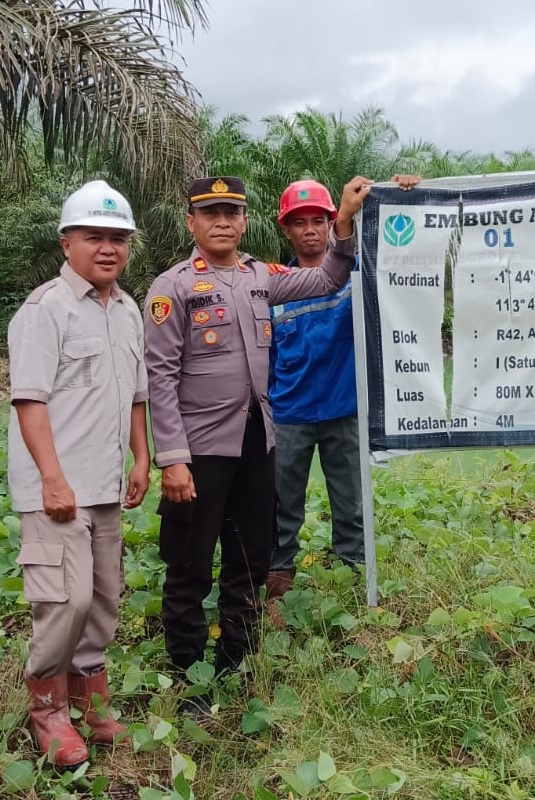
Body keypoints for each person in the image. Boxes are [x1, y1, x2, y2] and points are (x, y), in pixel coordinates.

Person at [144, 175, 369, 701]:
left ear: (245, 221)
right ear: (192, 223)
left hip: (257, 444)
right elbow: (159, 378)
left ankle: (237, 663)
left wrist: (341, 225)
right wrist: (172, 460)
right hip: (199, 452)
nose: (222, 221)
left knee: (248, 559)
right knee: (191, 565)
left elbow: (325, 281)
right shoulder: (172, 287)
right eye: (211, 213)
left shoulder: (261, 278)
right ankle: (189, 672)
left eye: (232, 212)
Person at [7, 180, 150, 769]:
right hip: (57, 487)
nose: (109, 248)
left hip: (106, 485)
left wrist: (142, 458)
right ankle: (47, 707)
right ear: (67, 243)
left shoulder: (128, 308)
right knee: (64, 600)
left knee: (102, 598)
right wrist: (51, 478)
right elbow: (29, 401)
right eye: (95, 236)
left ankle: (89, 700)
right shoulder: (45, 310)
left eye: (119, 238)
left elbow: (136, 394)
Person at [264, 176, 420, 626]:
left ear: (333, 223)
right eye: (300, 223)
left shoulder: (358, 274)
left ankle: (354, 585)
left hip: (345, 410)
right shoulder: (276, 286)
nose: (310, 230)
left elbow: (405, 254)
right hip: (289, 415)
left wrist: (403, 190)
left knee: (350, 503)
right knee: (281, 506)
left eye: (319, 220)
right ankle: (278, 588)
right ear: (286, 231)